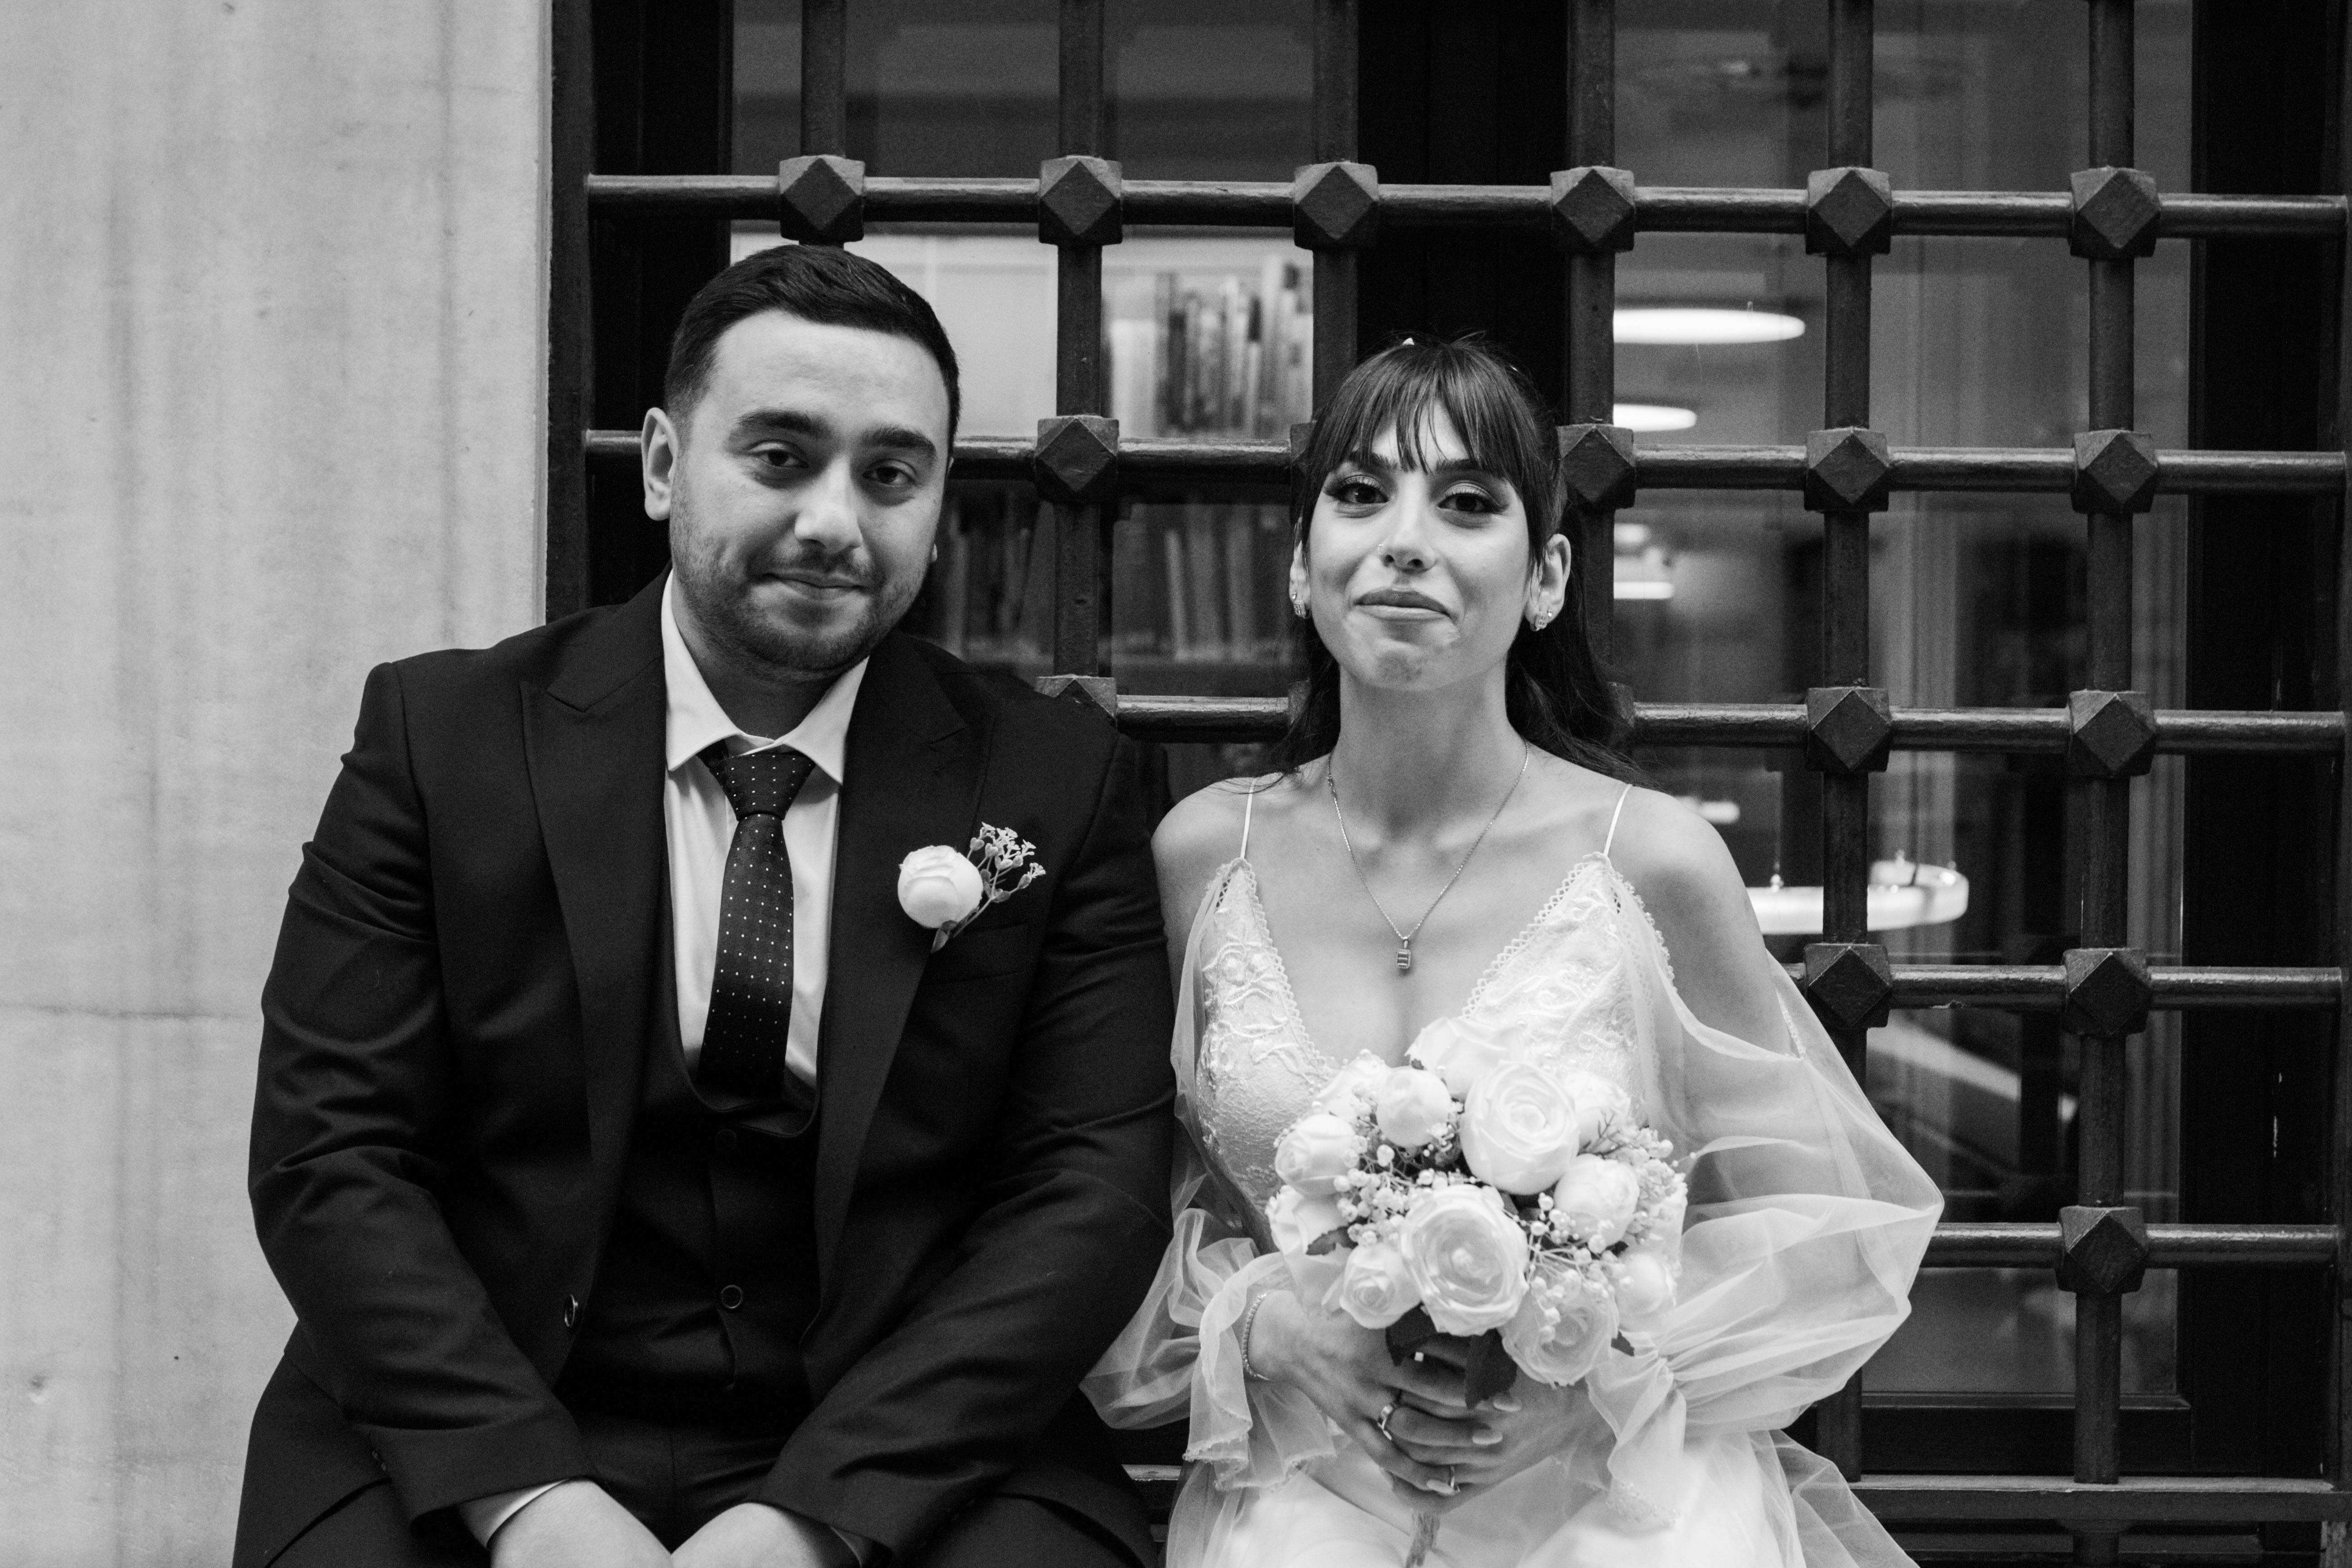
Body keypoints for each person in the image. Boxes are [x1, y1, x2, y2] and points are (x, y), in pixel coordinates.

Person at [235, 244, 1175, 1568]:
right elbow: (328, 1152)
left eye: (890, 475)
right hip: (485, 1407)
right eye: (781, 458)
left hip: (895, 1427)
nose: (836, 521)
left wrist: (821, 1514)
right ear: (667, 464)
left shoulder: (1052, 781)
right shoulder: (440, 739)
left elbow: (1090, 1193)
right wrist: (526, 1500)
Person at [1085, 337, 1942, 1567]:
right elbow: (1100, 1211)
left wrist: (1589, 1372)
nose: (1406, 539)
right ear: (1299, 566)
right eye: (1361, 494)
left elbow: (1825, 1227)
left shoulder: (1646, 861)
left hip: (1620, 1515)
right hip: (1310, 1506)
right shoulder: (1202, 859)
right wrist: (1270, 1327)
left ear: (1545, 578)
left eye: (1468, 503)